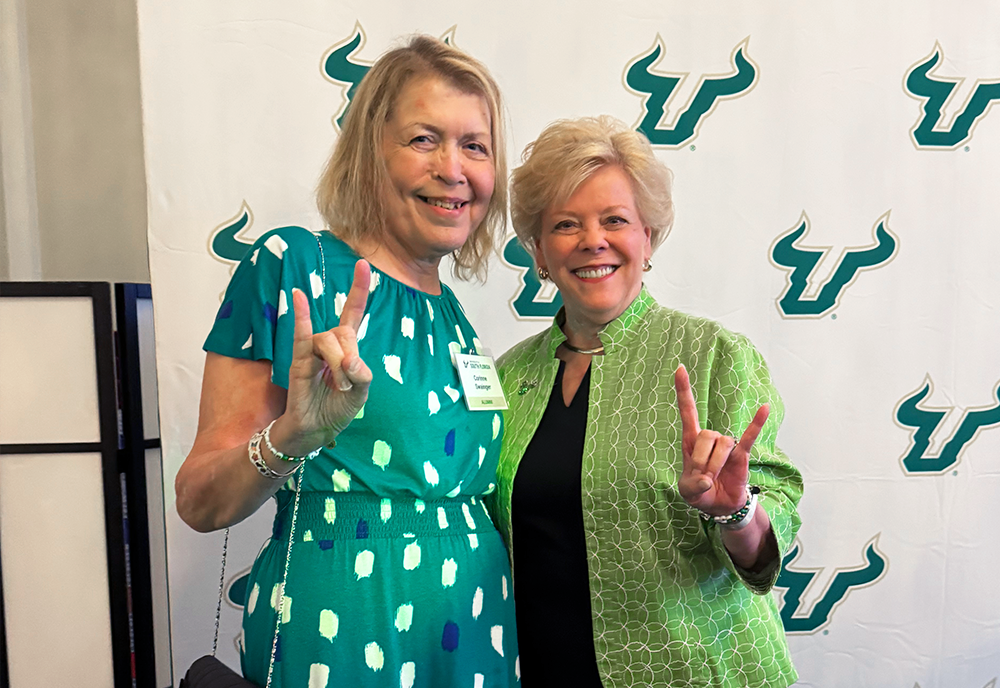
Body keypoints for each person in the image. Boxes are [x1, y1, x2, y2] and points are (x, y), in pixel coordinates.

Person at [176, 36, 518, 688]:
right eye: (424, 139)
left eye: (475, 145)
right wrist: (290, 439)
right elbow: (198, 500)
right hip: (345, 627)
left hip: (476, 632)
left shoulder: (454, 315)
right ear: (369, 153)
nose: (454, 168)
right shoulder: (292, 266)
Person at [491, 116, 803, 688]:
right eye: (566, 224)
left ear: (648, 238)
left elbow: (769, 531)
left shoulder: (715, 356)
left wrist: (736, 511)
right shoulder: (508, 378)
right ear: (537, 249)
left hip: (695, 671)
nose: (593, 240)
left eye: (615, 220)